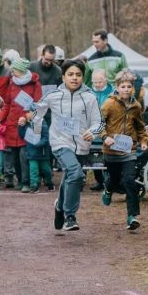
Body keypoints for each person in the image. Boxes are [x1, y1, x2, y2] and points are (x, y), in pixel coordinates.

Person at [31, 59, 104, 231]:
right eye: (70, 74)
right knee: (75, 173)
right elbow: (37, 113)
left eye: (78, 75)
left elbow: (99, 123)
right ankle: (70, 216)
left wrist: (92, 132)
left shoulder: (90, 98)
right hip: (60, 143)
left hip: (81, 145)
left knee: (70, 176)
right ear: (63, 77)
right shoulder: (53, 96)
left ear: (83, 77)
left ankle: (59, 206)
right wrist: (35, 133)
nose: (74, 78)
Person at [100, 71, 148, 230]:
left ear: (133, 88)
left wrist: (143, 140)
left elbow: (140, 126)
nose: (126, 89)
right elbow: (98, 123)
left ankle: (132, 217)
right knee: (114, 180)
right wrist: (104, 136)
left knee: (129, 181)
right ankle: (108, 187)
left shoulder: (136, 106)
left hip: (129, 150)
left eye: (129, 86)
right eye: (123, 86)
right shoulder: (109, 104)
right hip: (111, 151)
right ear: (117, 87)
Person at [0, 58, 42, 193]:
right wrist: (0, 118)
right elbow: (8, 104)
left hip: (26, 125)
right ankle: (20, 180)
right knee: (14, 155)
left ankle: (26, 182)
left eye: (14, 70)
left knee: (24, 155)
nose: (12, 73)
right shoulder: (12, 83)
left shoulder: (35, 85)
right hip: (12, 124)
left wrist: (27, 118)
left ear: (21, 70)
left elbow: (39, 106)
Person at [89, 69, 114, 191]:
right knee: (94, 155)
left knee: (107, 156)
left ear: (106, 80)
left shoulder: (113, 92)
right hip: (93, 127)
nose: (97, 84)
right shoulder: (89, 92)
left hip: (108, 128)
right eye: (95, 82)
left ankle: (109, 181)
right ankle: (99, 180)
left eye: (100, 82)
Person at [17, 117, 54, 193]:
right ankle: (34, 186)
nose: (27, 115)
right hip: (31, 153)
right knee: (33, 170)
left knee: (46, 170)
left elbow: (46, 138)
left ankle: (49, 183)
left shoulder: (43, 124)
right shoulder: (27, 125)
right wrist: (21, 126)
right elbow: (22, 135)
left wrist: (39, 143)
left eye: (29, 112)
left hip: (43, 154)